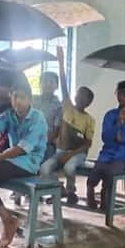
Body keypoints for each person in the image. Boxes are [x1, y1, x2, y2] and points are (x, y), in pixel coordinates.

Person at [0, 80, 48, 248]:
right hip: (11, 162)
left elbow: (21, 149)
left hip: (28, 164)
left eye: (22, 97)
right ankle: (3, 218)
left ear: (30, 99)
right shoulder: (10, 115)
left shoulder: (38, 118)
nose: (17, 101)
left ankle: (4, 219)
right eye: (14, 97)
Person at [39, 47, 95, 205]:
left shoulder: (89, 120)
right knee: (44, 168)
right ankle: (58, 189)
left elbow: (87, 144)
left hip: (77, 154)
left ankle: (71, 192)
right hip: (61, 151)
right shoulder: (68, 108)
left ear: (88, 102)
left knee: (70, 168)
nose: (79, 97)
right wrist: (61, 62)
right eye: (78, 94)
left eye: (83, 96)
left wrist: (71, 155)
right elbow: (63, 85)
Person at [86, 81, 125, 209]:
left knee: (110, 172)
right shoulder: (110, 115)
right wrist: (118, 125)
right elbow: (104, 137)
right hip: (106, 154)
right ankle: (90, 194)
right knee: (96, 170)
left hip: (123, 157)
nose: (121, 98)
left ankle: (105, 195)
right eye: (119, 94)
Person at [33, 71, 63, 162]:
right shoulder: (32, 100)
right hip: (28, 139)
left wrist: (40, 142)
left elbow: (55, 131)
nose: (47, 84)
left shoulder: (59, 106)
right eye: (44, 81)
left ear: (56, 86)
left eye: (51, 82)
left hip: (47, 143)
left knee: (42, 163)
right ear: (40, 84)